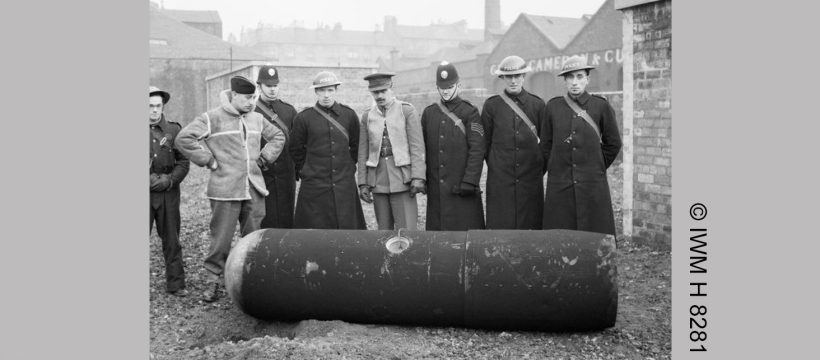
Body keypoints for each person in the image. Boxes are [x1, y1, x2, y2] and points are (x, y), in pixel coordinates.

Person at [175, 76, 286, 302]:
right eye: (246, 98)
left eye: (253, 98)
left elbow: (278, 136)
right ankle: (213, 282)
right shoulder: (212, 118)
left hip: (254, 189)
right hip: (224, 190)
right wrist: (208, 160)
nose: (250, 102)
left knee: (253, 239)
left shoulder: (256, 118)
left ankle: (251, 282)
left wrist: (264, 159)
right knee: (221, 240)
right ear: (233, 95)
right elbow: (184, 138)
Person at [541, 55, 623, 236]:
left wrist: (597, 165)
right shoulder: (553, 107)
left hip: (593, 182)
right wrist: (556, 167)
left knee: (595, 233)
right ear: (565, 81)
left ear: (588, 79)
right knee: (560, 235)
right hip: (560, 182)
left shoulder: (600, 106)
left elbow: (613, 143)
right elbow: (545, 145)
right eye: (570, 77)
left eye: (579, 76)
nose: (574, 82)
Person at [290, 71, 366, 229]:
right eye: (322, 90)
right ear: (316, 92)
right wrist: (306, 169)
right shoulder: (304, 118)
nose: (326, 95)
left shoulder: (349, 115)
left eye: (330, 90)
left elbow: (356, 146)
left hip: (344, 183)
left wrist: (347, 166)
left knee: (347, 228)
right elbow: (296, 150)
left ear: (336, 90)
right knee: (315, 231)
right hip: (315, 185)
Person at [480, 55, 547, 229]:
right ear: (502, 78)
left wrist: (537, 168)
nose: (513, 81)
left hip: (530, 177)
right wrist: (497, 165)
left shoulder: (538, 105)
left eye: (517, 76)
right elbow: (485, 143)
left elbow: (546, 143)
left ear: (524, 76)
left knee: (531, 225)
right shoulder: (491, 106)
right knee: (501, 225)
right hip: (501, 179)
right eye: (509, 77)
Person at [419, 62, 485, 230]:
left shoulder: (470, 112)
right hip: (437, 188)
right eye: (442, 87)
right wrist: (424, 179)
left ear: (458, 85)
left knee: (465, 234)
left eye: (450, 86)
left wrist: (470, 181)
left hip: (462, 186)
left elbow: (477, 150)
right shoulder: (429, 113)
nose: (446, 90)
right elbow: (422, 150)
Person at [357, 72, 426, 230]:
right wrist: (363, 183)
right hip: (378, 181)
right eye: (375, 92)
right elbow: (363, 153)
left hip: (403, 180)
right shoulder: (367, 116)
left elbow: (417, 147)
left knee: (407, 232)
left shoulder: (406, 111)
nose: (380, 95)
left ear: (391, 88)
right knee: (383, 233)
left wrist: (417, 177)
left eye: (383, 91)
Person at [149, 86, 190, 297]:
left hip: (168, 193)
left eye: (158, 106)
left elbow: (184, 162)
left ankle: (176, 283)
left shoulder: (173, 130)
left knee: (172, 239)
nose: (154, 110)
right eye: (149, 106)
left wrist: (170, 180)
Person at [254, 65, 298, 229]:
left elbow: (297, 143)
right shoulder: (252, 110)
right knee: (266, 220)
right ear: (259, 86)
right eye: (268, 86)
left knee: (287, 220)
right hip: (262, 174)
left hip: (286, 175)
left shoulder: (288, 111)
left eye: (275, 86)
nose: (272, 90)